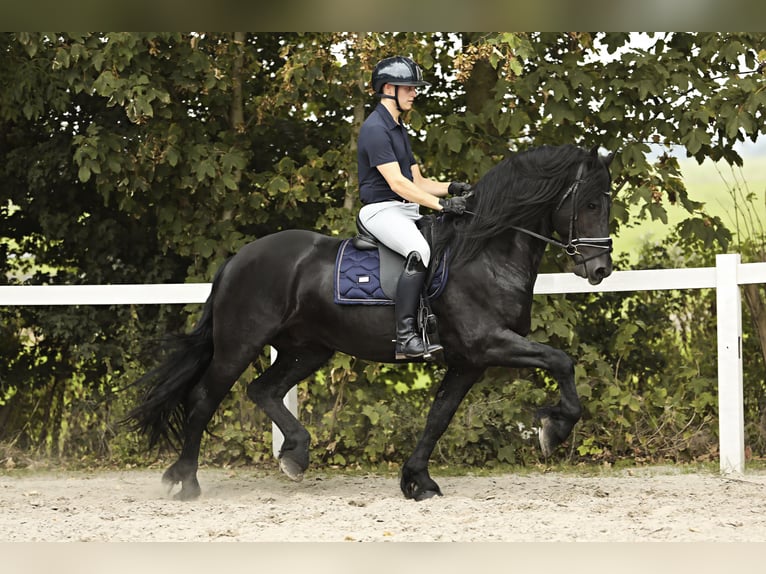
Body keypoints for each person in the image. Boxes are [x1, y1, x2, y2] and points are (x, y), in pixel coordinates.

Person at [357, 55, 471, 360]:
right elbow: (397, 184)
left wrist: (451, 188)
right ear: (388, 88)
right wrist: (442, 205)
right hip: (380, 210)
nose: (415, 93)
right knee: (419, 251)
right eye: (409, 88)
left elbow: (416, 181)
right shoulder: (375, 129)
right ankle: (405, 337)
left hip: (404, 209)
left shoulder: (397, 128)